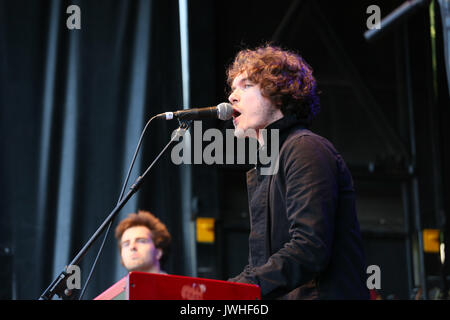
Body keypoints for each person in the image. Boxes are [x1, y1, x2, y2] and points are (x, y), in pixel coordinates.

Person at [226, 44, 369, 300]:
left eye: (246, 85)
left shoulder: (304, 148)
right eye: (233, 88)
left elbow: (309, 247)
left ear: (279, 93)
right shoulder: (265, 165)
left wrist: (234, 292)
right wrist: (230, 290)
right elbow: (261, 263)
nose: (232, 97)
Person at [114, 210, 171, 274]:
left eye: (141, 241)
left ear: (158, 252)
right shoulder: (119, 284)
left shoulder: (178, 284)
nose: (132, 247)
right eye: (126, 244)